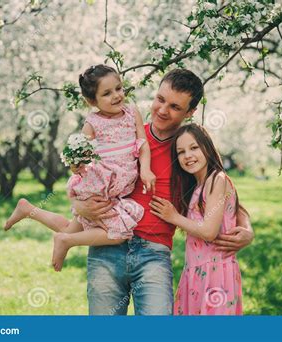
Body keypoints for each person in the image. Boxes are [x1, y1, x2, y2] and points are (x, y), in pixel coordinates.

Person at [73, 68, 255, 315]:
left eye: (175, 107)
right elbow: (87, 180)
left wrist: (247, 229)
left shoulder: (188, 151)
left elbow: (219, 189)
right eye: (160, 99)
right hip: (107, 246)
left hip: (153, 253)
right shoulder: (126, 134)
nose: (162, 110)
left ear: (190, 112)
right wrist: (78, 207)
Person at [3, 64, 155, 271]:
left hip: (117, 187)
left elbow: (142, 144)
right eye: (107, 93)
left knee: (70, 227)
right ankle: (66, 241)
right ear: (92, 101)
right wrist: (75, 166)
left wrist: (145, 169)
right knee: (119, 232)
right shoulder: (92, 124)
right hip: (101, 188)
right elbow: (79, 156)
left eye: (119, 88)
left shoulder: (132, 112)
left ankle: (28, 209)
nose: (117, 96)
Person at [150, 124, 247, 315]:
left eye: (194, 148)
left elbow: (209, 232)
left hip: (216, 273)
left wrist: (173, 217)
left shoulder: (217, 179)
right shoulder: (198, 185)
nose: (188, 155)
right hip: (196, 272)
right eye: (181, 152)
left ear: (207, 147)